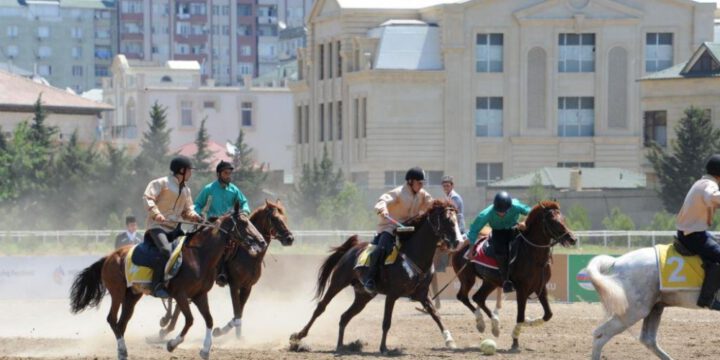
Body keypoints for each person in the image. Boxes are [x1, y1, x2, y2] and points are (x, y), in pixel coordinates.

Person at [363, 166, 434, 294]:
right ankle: (370, 278)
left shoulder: (422, 194)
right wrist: (382, 209)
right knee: (382, 248)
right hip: (391, 227)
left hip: (410, 229)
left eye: (423, 183)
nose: (421, 186)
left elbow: (432, 204)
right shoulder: (398, 192)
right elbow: (383, 200)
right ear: (410, 181)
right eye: (419, 183)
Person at [142, 155, 203, 298]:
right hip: (157, 227)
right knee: (165, 250)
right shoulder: (161, 183)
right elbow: (148, 198)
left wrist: (195, 216)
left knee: (191, 251)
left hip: (174, 229)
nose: (191, 173)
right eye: (189, 170)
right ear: (182, 170)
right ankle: (156, 285)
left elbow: (187, 210)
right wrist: (156, 214)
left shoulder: (186, 190)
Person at [194, 160, 251, 286]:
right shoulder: (209, 189)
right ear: (219, 174)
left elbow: (244, 203)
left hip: (230, 224)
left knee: (247, 240)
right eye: (226, 173)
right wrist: (198, 214)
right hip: (213, 224)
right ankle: (216, 272)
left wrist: (245, 212)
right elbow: (197, 204)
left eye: (230, 173)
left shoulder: (234, 189)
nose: (229, 176)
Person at [676, 154, 720, 309]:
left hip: (690, 232)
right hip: (694, 235)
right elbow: (712, 197)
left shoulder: (701, 182)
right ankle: (707, 299)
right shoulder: (710, 185)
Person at [465, 191, 530, 293]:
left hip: (514, 229)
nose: (501, 213)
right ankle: (506, 282)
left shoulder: (516, 205)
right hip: (498, 233)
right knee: (501, 253)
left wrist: (525, 222)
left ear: (510, 207)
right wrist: (470, 250)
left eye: (504, 211)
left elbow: (531, 212)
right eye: (499, 211)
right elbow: (474, 230)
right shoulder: (486, 213)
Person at [429, 176, 466, 309]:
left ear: (452, 185)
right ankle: (434, 301)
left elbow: (454, 221)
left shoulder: (453, 199)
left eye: (448, 185)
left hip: (457, 232)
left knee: (432, 266)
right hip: (454, 231)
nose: (446, 187)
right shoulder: (449, 198)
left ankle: (435, 301)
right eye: (444, 185)